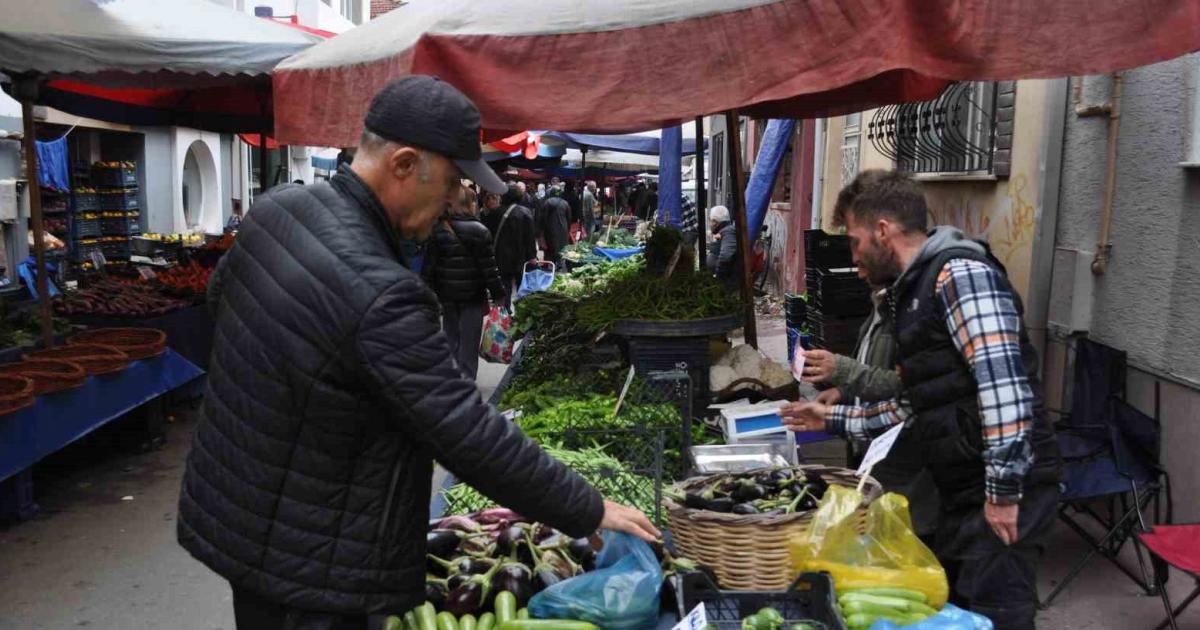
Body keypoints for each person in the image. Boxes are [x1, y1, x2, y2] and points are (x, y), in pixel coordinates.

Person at [177, 76, 659, 630]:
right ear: (403, 164)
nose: (458, 198)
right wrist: (590, 509)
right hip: (315, 563)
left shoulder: (275, 211)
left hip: (240, 518)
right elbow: (467, 432)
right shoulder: (380, 290)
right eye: (453, 180)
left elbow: (222, 304)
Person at [782, 170, 1060, 630]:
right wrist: (829, 418)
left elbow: (1004, 389)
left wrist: (1004, 492)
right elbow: (912, 408)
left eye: (854, 242)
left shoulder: (960, 275)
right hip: (963, 486)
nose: (852, 259)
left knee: (998, 614)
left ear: (883, 231)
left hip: (1000, 489)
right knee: (960, 610)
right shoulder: (914, 292)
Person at [424, 184, 507, 379]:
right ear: (471, 204)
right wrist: (498, 294)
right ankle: (466, 382)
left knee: (450, 336)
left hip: (447, 294)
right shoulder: (480, 230)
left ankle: (450, 378)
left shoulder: (438, 229)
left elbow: (429, 266)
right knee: (469, 341)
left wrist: (428, 291)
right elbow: (489, 269)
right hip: (472, 295)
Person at [482, 184, 538, 308]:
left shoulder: (494, 212)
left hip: (500, 256)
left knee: (504, 286)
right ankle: (521, 311)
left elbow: (488, 234)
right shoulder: (525, 212)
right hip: (520, 256)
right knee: (522, 286)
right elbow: (530, 237)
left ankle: (505, 313)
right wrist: (532, 256)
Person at [706, 205, 738, 288]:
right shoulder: (724, 230)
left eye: (710, 221)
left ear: (715, 222)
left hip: (725, 281)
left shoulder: (728, 231)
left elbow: (726, 256)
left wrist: (717, 275)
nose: (709, 224)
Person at [540, 186, 571, 269]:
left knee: (550, 248)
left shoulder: (547, 202)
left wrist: (541, 231)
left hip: (550, 229)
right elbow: (569, 218)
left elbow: (543, 218)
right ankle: (560, 264)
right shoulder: (565, 203)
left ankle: (550, 263)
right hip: (563, 229)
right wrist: (568, 229)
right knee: (561, 247)